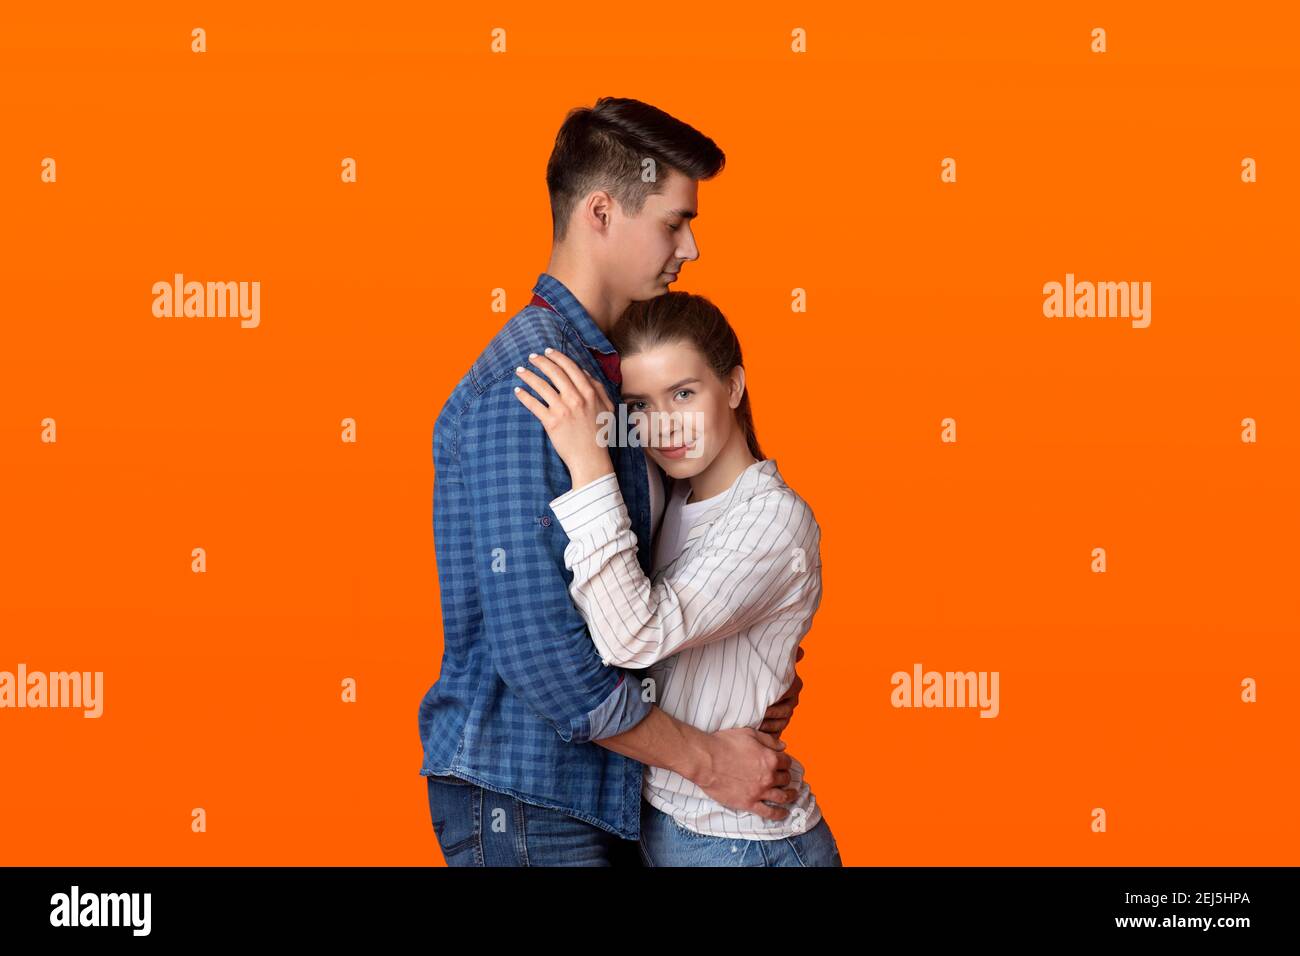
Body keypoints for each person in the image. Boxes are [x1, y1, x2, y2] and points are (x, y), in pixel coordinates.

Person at [417, 96, 808, 867]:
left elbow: (652, 586)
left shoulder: (611, 374)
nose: (690, 247)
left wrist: (748, 675)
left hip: (599, 789)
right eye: (673, 221)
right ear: (601, 211)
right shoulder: (535, 380)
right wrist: (707, 758)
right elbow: (543, 653)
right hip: (528, 799)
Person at [512, 291, 840, 866]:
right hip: (669, 830)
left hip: (743, 842)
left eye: (683, 393)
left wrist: (588, 463)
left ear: (734, 387)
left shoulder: (772, 517)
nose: (663, 426)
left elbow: (632, 635)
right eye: (638, 405)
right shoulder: (671, 499)